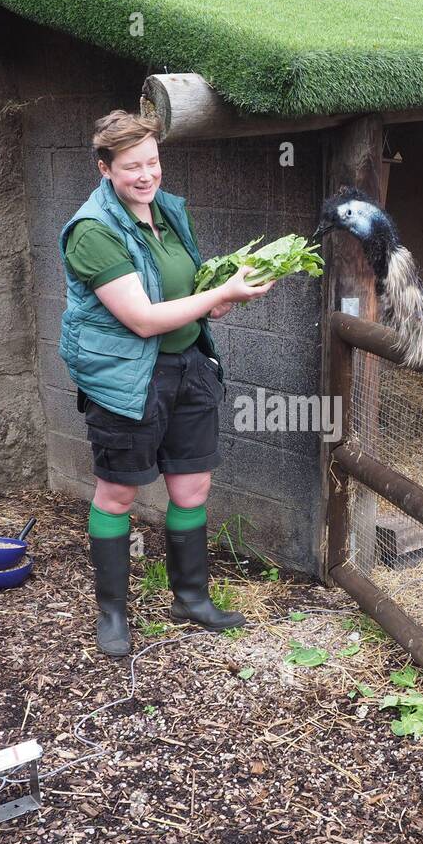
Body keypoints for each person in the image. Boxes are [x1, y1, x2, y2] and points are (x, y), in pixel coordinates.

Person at [59, 110, 275, 656]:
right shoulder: (92, 232)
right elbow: (142, 318)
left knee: (192, 487)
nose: (146, 175)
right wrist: (219, 297)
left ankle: (190, 597)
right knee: (119, 492)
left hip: (188, 366)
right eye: (132, 166)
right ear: (104, 168)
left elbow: (185, 295)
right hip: (127, 378)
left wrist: (217, 303)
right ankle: (112, 612)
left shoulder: (169, 211)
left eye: (152, 162)